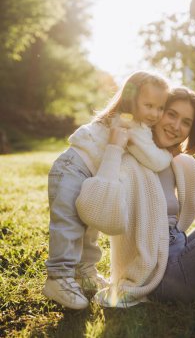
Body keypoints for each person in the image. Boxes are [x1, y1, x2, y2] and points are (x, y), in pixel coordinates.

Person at [75, 86, 195, 307]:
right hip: (161, 278)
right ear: (157, 114)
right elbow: (96, 211)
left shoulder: (180, 163)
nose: (176, 126)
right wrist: (113, 149)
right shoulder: (128, 160)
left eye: (186, 122)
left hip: (179, 254)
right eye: (172, 114)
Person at [43, 71, 172, 309]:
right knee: (69, 225)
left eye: (160, 107)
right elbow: (154, 160)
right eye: (149, 105)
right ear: (132, 100)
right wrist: (170, 153)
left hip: (86, 172)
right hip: (73, 169)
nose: (155, 113)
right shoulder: (131, 124)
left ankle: (84, 273)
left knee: (88, 228)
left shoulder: (128, 120)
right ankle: (58, 277)